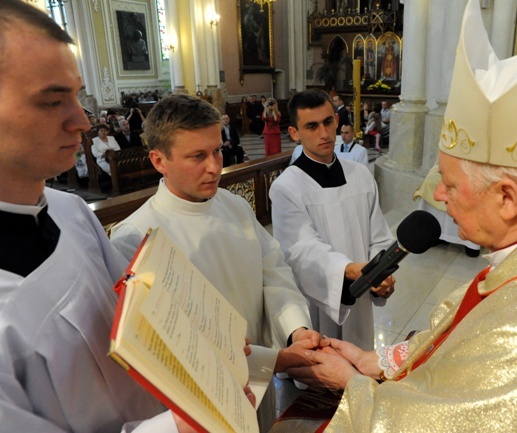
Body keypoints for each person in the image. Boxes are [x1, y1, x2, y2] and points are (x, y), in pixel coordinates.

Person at [283, 1, 517, 431]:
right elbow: (460, 340)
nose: (437, 195)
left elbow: (447, 420)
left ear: (508, 199)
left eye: (451, 185)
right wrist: (373, 361)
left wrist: (353, 387)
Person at [0, 1, 198, 430]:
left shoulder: (71, 210)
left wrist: (200, 348)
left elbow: (137, 314)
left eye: (76, 95)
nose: (83, 122)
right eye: (53, 102)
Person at [108, 94, 318, 430]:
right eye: (197, 156)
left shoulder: (235, 206)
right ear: (159, 160)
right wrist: (274, 360)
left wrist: (296, 330)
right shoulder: (136, 238)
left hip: (259, 382)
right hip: (200, 405)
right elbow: (166, 346)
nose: (215, 166)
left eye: (217, 150)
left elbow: (273, 274)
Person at [269, 89, 396, 351]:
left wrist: (379, 276)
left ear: (337, 121)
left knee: (359, 360)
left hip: (360, 292)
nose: (324, 134)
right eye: (312, 126)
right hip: (318, 298)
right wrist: (349, 271)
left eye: (328, 122)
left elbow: (379, 236)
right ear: (295, 133)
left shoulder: (360, 175)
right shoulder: (287, 187)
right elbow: (301, 251)